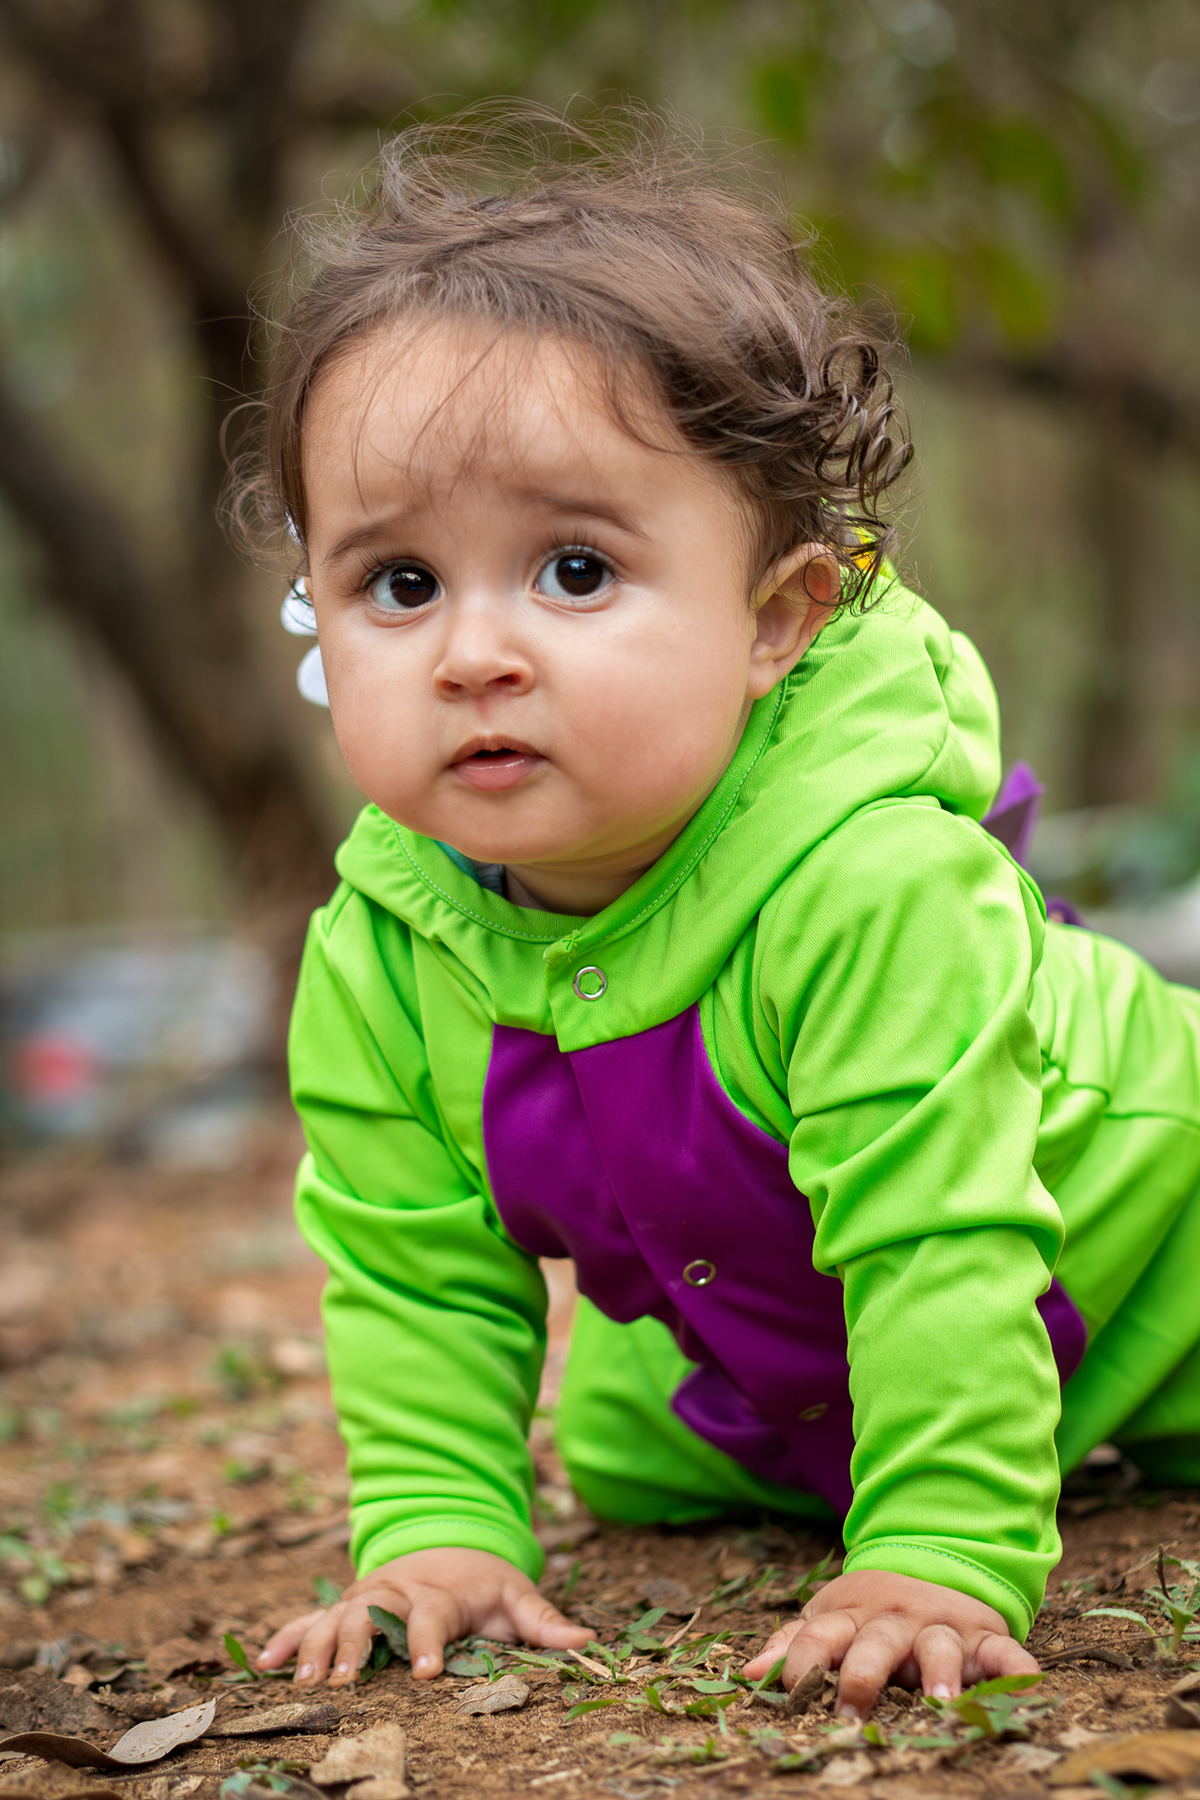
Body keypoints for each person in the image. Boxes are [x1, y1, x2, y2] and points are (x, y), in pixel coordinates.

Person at [249, 110, 1200, 1718]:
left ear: (777, 621)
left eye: (571, 570)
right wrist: (439, 1527)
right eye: (400, 585)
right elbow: (413, 1263)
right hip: (759, 1328)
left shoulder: (870, 880)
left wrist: (937, 1551)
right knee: (626, 1447)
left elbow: (940, 1230)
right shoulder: (384, 942)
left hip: (1142, 1242)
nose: (473, 651)